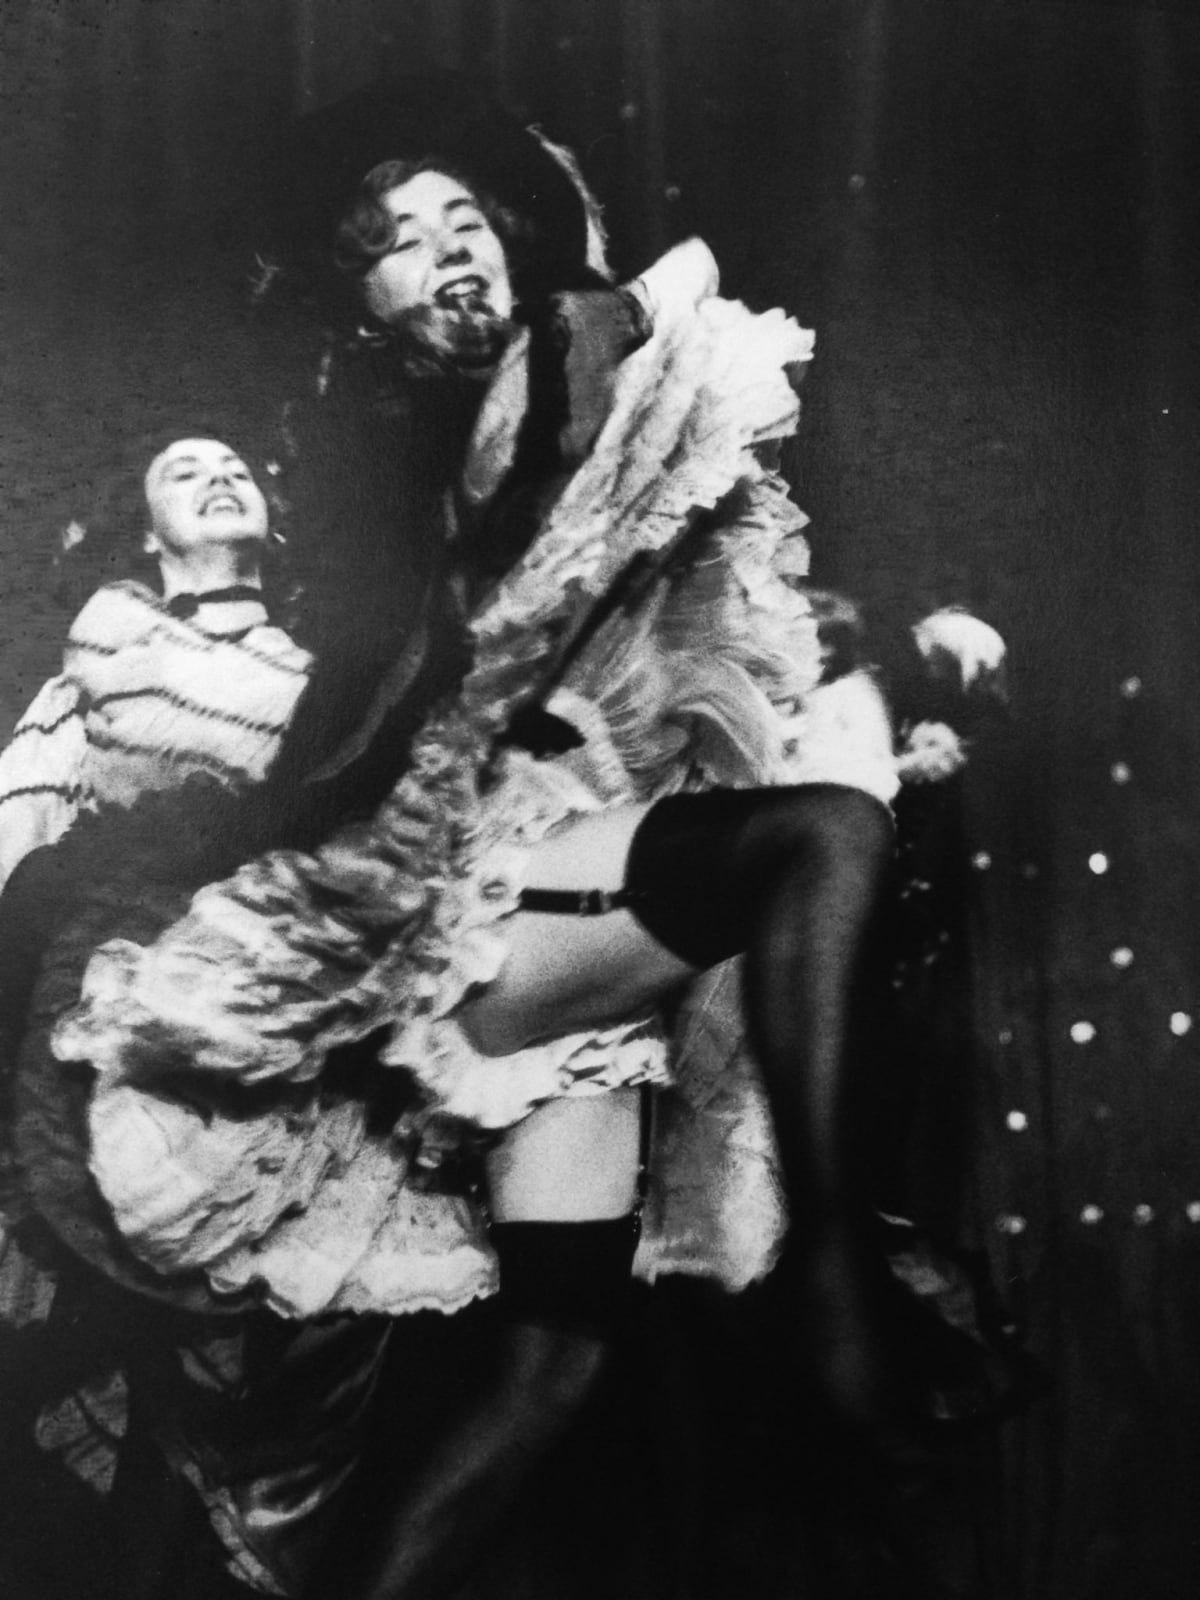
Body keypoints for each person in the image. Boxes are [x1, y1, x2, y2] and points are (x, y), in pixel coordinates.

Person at [12, 81, 944, 1597]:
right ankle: (832, 1278)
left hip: (578, 958)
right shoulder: (414, 432)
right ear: (358, 292)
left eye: (468, 220)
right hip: (484, 905)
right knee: (818, 841)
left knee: (553, 1368)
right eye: (401, 239)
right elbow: (444, 615)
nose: (452, 250)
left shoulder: (553, 373)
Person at [0, 430, 489, 1598]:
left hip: (282, 1028)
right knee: (114, 1327)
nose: (219, 477)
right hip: (108, 1009)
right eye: (180, 469)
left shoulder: (327, 673)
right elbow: (20, 850)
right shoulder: (97, 663)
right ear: (147, 529)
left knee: (245, 1359)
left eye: (235, 466)